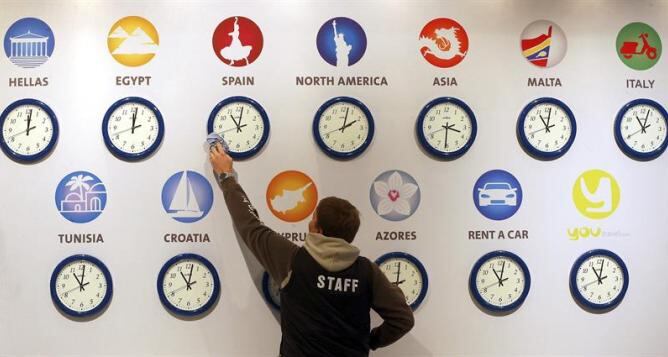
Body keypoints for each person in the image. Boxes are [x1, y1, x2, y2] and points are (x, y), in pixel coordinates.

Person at [209, 143, 414, 357]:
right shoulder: (367, 272)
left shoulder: (292, 260)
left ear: (318, 229)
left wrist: (226, 176)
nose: (309, 221)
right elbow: (403, 319)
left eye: (313, 217)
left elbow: (249, 225)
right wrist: (369, 341)